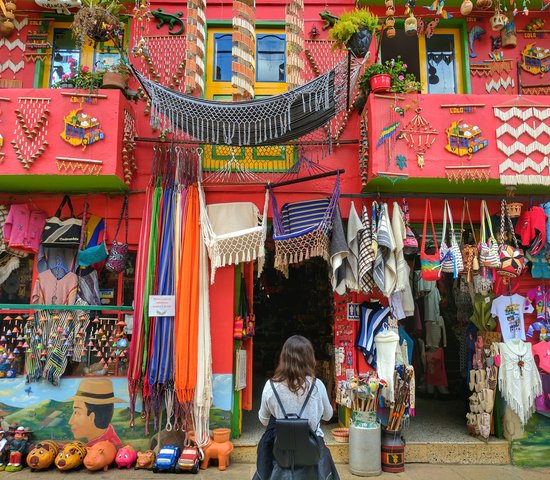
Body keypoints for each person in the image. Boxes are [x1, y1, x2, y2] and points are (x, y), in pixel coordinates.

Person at [253, 335, 340, 480]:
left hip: (281, 451)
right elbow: (328, 416)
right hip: (313, 450)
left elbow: (263, 420)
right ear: (309, 358)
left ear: (283, 358)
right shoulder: (317, 385)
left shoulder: (271, 386)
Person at [68, 378, 124, 447]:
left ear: (92, 417)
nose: (70, 421)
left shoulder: (105, 450)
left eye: (77, 412)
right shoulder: (98, 444)